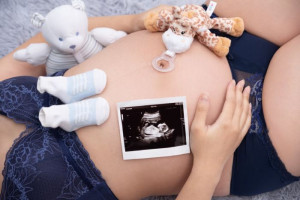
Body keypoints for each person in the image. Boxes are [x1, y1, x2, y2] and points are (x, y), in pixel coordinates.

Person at [0, 0, 299, 199]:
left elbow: (33, 49)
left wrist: (135, 21)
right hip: (246, 136)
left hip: (205, 27)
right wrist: (210, 161)